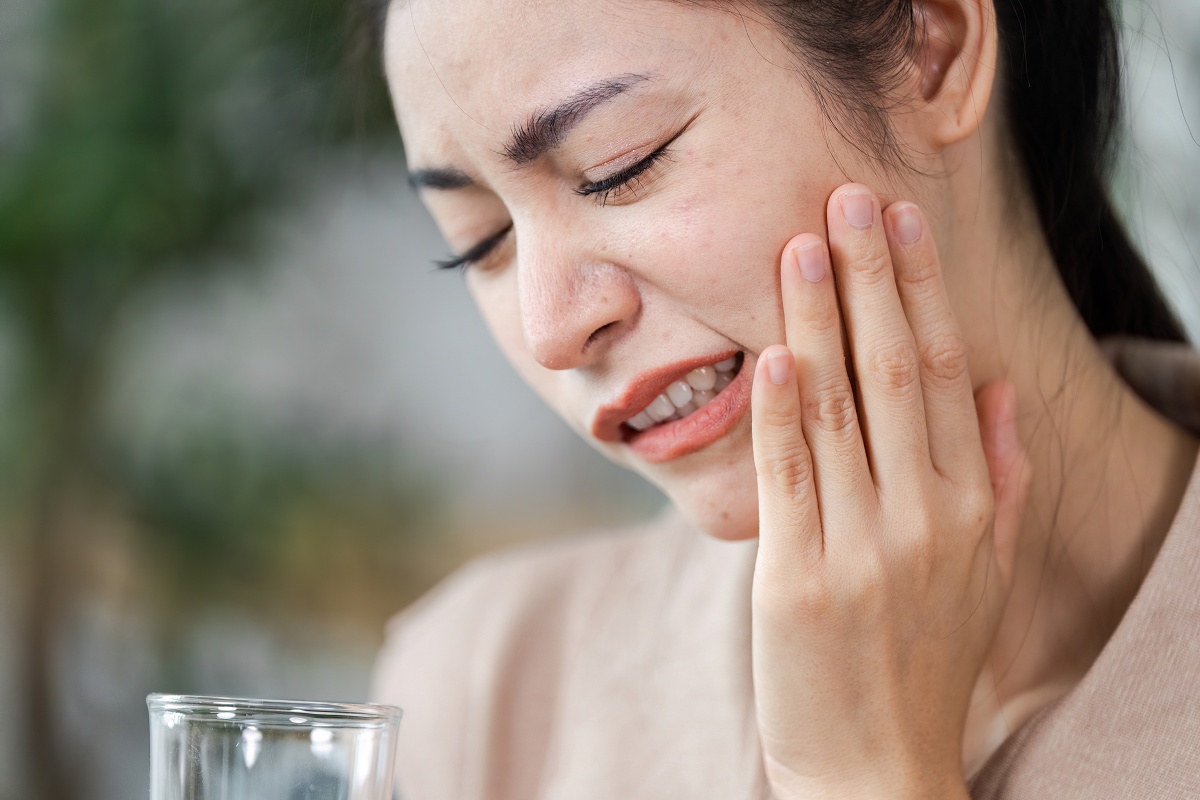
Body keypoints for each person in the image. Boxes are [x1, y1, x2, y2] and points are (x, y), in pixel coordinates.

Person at [369, 0, 1200, 797]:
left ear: (933, 51)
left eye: (620, 163)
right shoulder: (484, 700)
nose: (549, 329)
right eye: (480, 242)